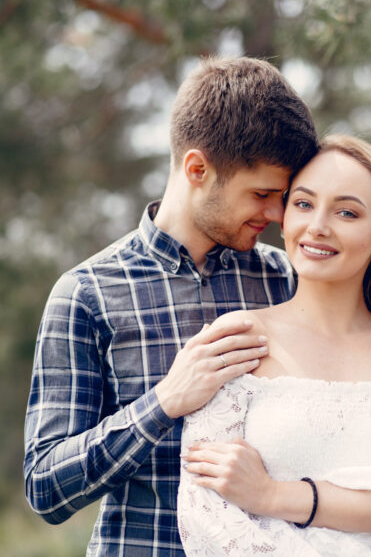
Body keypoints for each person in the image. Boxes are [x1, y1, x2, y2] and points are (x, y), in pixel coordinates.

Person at [23, 56, 319, 555]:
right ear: (197, 169)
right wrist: (163, 403)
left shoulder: (290, 281)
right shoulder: (87, 294)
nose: (276, 215)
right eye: (263, 194)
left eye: (283, 197)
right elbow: (45, 487)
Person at [177, 134, 371, 556]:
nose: (317, 225)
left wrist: (272, 496)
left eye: (347, 212)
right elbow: (205, 518)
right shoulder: (239, 338)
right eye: (303, 204)